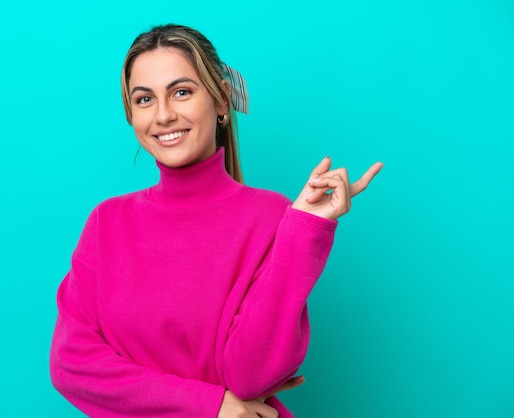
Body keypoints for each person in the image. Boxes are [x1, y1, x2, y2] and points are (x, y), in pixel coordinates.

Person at [50, 23, 383, 418]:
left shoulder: (271, 217)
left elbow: (249, 376)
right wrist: (210, 404)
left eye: (182, 92)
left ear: (221, 100)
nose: (163, 115)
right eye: (144, 100)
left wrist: (304, 231)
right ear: (131, 115)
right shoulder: (107, 223)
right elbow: (72, 365)